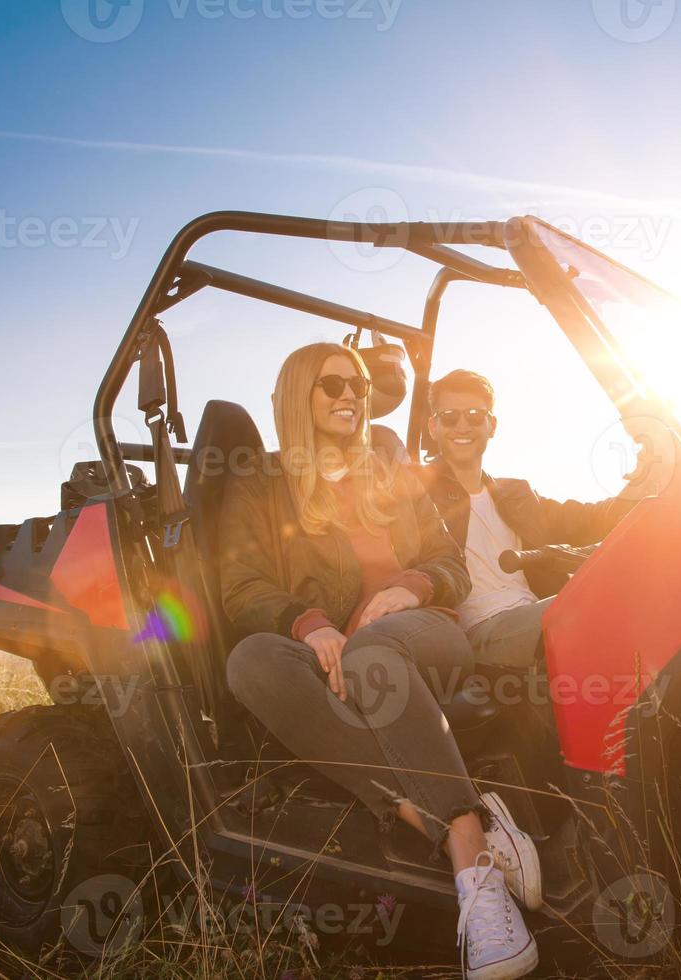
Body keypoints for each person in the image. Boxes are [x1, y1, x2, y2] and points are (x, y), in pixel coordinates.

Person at [220, 343, 542, 980]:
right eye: (332, 384)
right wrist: (308, 625)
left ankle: (477, 881)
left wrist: (407, 588)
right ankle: (464, 823)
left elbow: (449, 565)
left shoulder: (392, 473)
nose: (351, 396)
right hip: (333, 648)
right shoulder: (261, 483)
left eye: (360, 386)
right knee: (251, 660)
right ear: (297, 396)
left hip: (425, 633)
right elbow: (241, 586)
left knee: (374, 648)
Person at [419, 369, 657, 674]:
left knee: (642, 590)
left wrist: (646, 475)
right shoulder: (416, 491)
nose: (462, 425)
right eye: (450, 416)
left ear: (491, 425)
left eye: (475, 415)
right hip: (480, 631)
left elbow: (589, 518)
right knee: (590, 608)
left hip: (535, 611)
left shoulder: (516, 493)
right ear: (433, 426)